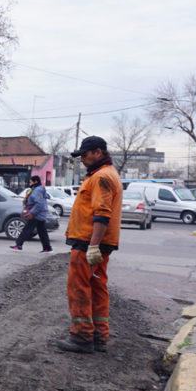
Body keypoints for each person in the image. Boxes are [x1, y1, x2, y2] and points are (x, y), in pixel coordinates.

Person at [58, 135, 122, 354]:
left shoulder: (102, 177)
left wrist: (93, 246)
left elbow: (102, 214)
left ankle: (82, 335)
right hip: (97, 243)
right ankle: (99, 335)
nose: (82, 159)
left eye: (85, 155)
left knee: (79, 288)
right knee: (96, 287)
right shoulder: (105, 174)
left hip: (88, 243)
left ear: (98, 152)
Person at [11, 175, 52, 252]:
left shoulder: (37, 190)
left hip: (36, 214)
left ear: (35, 182)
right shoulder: (38, 189)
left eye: (30, 182)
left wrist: (32, 213)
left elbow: (39, 203)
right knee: (42, 231)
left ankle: (18, 245)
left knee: (27, 229)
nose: (29, 184)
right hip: (39, 213)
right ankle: (47, 248)